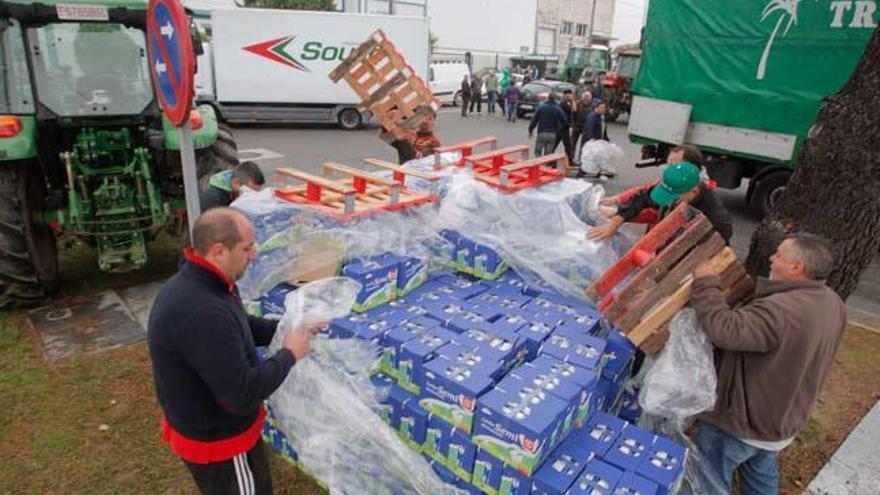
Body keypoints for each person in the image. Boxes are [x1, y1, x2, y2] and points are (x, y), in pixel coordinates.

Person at [148, 208, 325, 495]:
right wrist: (289, 353)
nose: (254, 255)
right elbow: (241, 394)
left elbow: (241, 324)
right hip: (220, 442)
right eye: (247, 248)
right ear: (219, 250)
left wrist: (290, 326)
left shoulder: (208, 282)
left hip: (206, 419)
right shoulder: (205, 312)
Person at [690, 233, 846, 494]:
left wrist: (706, 283)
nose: (772, 259)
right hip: (780, 423)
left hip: (741, 424)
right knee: (761, 475)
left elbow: (723, 330)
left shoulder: (780, 311)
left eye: (779, 255)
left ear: (797, 267)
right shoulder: (832, 302)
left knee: (708, 483)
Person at [588, 161, 733, 243]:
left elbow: (715, 245)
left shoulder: (716, 218)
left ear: (693, 192)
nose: (668, 202)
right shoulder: (675, 190)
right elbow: (641, 198)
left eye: (674, 198)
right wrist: (614, 223)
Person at [201, 161, 265, 211]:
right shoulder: (213, 199)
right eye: (250, 192)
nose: (254, 197)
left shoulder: (236, 192)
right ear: (235, 183)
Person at [528, 93, 568, 158]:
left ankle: (538, 164)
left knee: (538, 151)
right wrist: (559, 128)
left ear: (548, 98)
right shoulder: (558, 109)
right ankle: (545, 166)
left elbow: (534, 119)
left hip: (542, 132)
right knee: (548, 154)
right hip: (552, 134)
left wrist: (530, 130)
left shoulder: (541, 107)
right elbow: (564, 120)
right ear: (555, 99)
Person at [553, 89, 576, 163]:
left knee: (562, 144)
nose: (570, 97)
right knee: (567, 145)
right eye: (569, 96)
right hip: (562, 127)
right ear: (565, 96)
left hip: (562, 127)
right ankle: (570, 160)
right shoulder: (564, 104)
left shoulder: (565, 103)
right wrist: (573, 101)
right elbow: (574, 110)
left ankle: (569, 159)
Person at [571, 91, 594, 165]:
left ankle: (581, 160)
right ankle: (571, 158)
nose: (586, 99)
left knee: (584, 145)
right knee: (572, 143)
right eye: (585, 97)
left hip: (586, 128)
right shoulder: (578, 104)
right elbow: (573, 114)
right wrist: (573, 123)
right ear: (582, 97)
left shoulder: (593, 106)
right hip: (577, 126)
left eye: (588, 97)